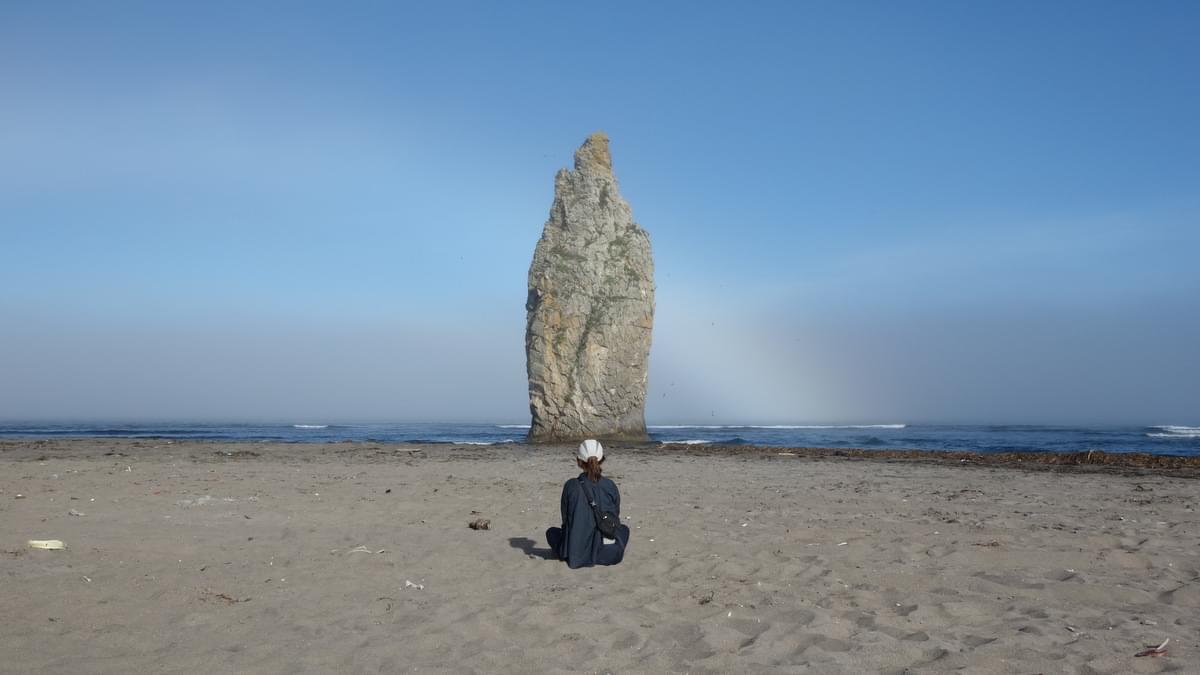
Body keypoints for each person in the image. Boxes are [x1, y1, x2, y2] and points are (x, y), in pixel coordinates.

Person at [546, 439, 630, 568]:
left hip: (575, 552)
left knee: (551, 533)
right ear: (602, 460)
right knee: (624, 529)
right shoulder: (610, 485)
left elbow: (566, 520)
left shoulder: (571, 485)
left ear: (579, 461)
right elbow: (615, 516)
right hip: (608, 553)